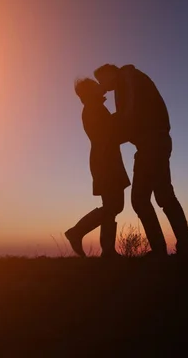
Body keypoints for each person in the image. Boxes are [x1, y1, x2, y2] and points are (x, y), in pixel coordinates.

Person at [94, 64, 188, 256]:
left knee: (147, 198)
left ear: (109, 72)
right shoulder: (127, 81)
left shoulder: (127, 76)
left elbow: (129, 116)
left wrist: (107, 128)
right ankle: (178, 248)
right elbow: (130, 119)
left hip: (152, 143)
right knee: (156, 196)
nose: (103, 87)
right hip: (152, 143)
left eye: (102, 81)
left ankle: (169, 249)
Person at [65, 77, 130, 258]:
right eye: (95, 85)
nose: (99, 86)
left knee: (112, 205)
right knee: (114, 205)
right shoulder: (93, 109)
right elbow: (108, 134)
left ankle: (108, 251)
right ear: (89, 92)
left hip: (107, 159)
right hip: (105, 161)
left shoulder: (95, 108)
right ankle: (77, 232)